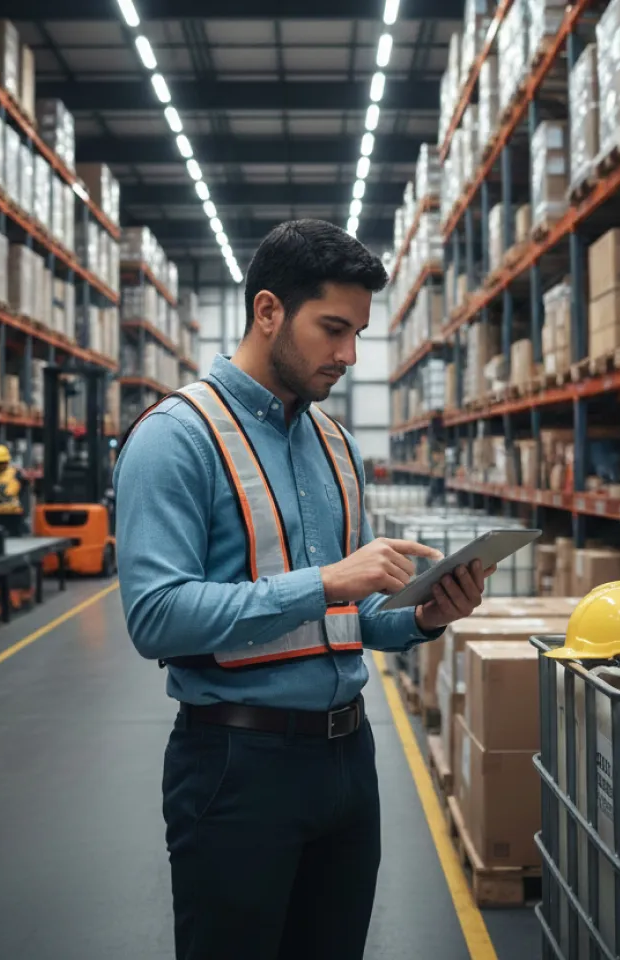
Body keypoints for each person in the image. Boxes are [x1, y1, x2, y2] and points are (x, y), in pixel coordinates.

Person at [114, 219, 493, 960]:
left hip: (348, 762)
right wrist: (324, 583)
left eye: (357, 332)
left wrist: (422, 615)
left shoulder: (335, 444)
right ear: (267, 312)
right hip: (235, 767)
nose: (350, 355)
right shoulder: (176, 436)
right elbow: (156, 619)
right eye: (333, 329)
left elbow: (354, 618)